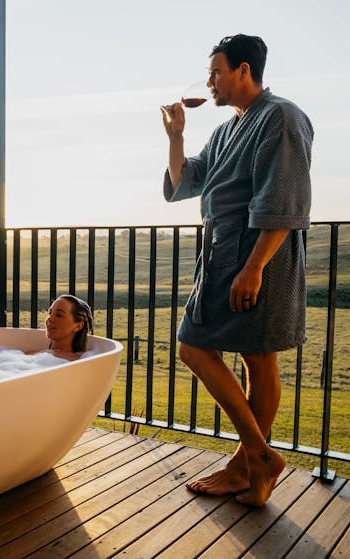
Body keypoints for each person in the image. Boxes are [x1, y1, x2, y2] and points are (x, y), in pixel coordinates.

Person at [159, 34, 312, 507]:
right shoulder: (228, 130)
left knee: (255, 357)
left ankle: (249, 463)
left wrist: (254, 269)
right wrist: (177, 137)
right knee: (196, 347)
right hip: (223, 257)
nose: (209, 82)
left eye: (216, 72)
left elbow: (284, 201)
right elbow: (187, 182)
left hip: (257, 257)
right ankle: (256, 461)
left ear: (243, 71)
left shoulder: (281, 117)